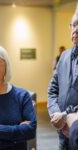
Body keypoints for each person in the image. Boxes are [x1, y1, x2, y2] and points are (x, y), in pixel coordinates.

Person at [48, 5, 78, 150]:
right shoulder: (64, 56)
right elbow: (52, 90)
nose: (75, 29)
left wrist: (66, 117)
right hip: (62, 134)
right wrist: (57, 115)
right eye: (74, 25)